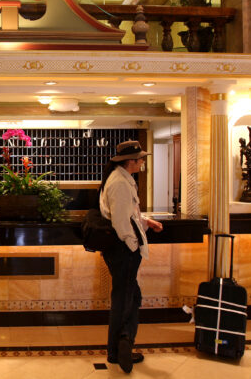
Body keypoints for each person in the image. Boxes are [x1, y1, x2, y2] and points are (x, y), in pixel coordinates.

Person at [98, 140, 163, 373]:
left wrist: (147, 223)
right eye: (140, 159)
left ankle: (123, 342)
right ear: (130, 161)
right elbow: (120, 222)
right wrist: (133, 244)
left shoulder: (123, 179)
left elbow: (130, 214)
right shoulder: (120, 183)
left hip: (123, 249)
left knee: (130, 297)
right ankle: (117, 350)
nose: (143, 162)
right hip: (123, 249)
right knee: (124, 299)